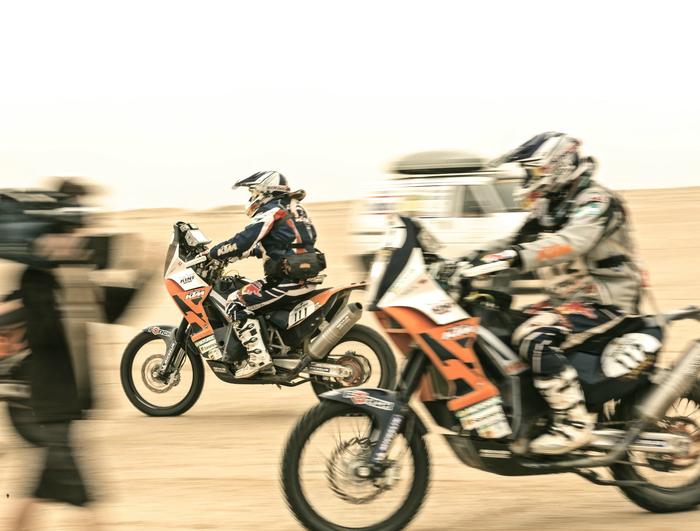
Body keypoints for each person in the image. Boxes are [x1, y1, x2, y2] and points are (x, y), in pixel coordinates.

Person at [450, 132, 643, 455]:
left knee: (533, 336)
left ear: (558, 166)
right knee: (497, 329)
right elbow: (515, 244)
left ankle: (574, 423)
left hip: (607, 302)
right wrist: (465, 261)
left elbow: (571, 242)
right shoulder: (550, 207)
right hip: (569, 301)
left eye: (532, 172)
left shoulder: (595, 202)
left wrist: (514, 258)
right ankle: (529, 412)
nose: (527, 179)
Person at [203, 171, 325, 378]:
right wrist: (249, 253)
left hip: (290, 280)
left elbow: (244, 239)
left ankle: (258, 358)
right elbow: (292, 242)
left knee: (235, 301)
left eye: (253, 191)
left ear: (265, 191)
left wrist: (213, 253)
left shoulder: (272, 211)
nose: (251, 197)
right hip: (303, 275)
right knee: (252, 293)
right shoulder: (295, 209)